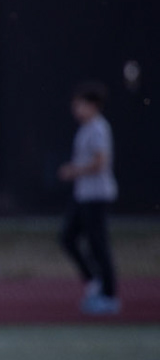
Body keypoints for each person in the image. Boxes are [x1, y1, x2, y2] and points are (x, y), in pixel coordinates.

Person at [58, 81, 120, 316]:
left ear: (93, 105)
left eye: (80, 105)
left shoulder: (98, 128)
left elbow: (100, 162)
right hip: (82, 194)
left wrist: (74, 171)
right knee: (67, 237)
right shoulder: (85, 128)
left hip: (96, 195)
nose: (76, 109)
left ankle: (109, 295)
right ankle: (95, 282)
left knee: (98, 245)